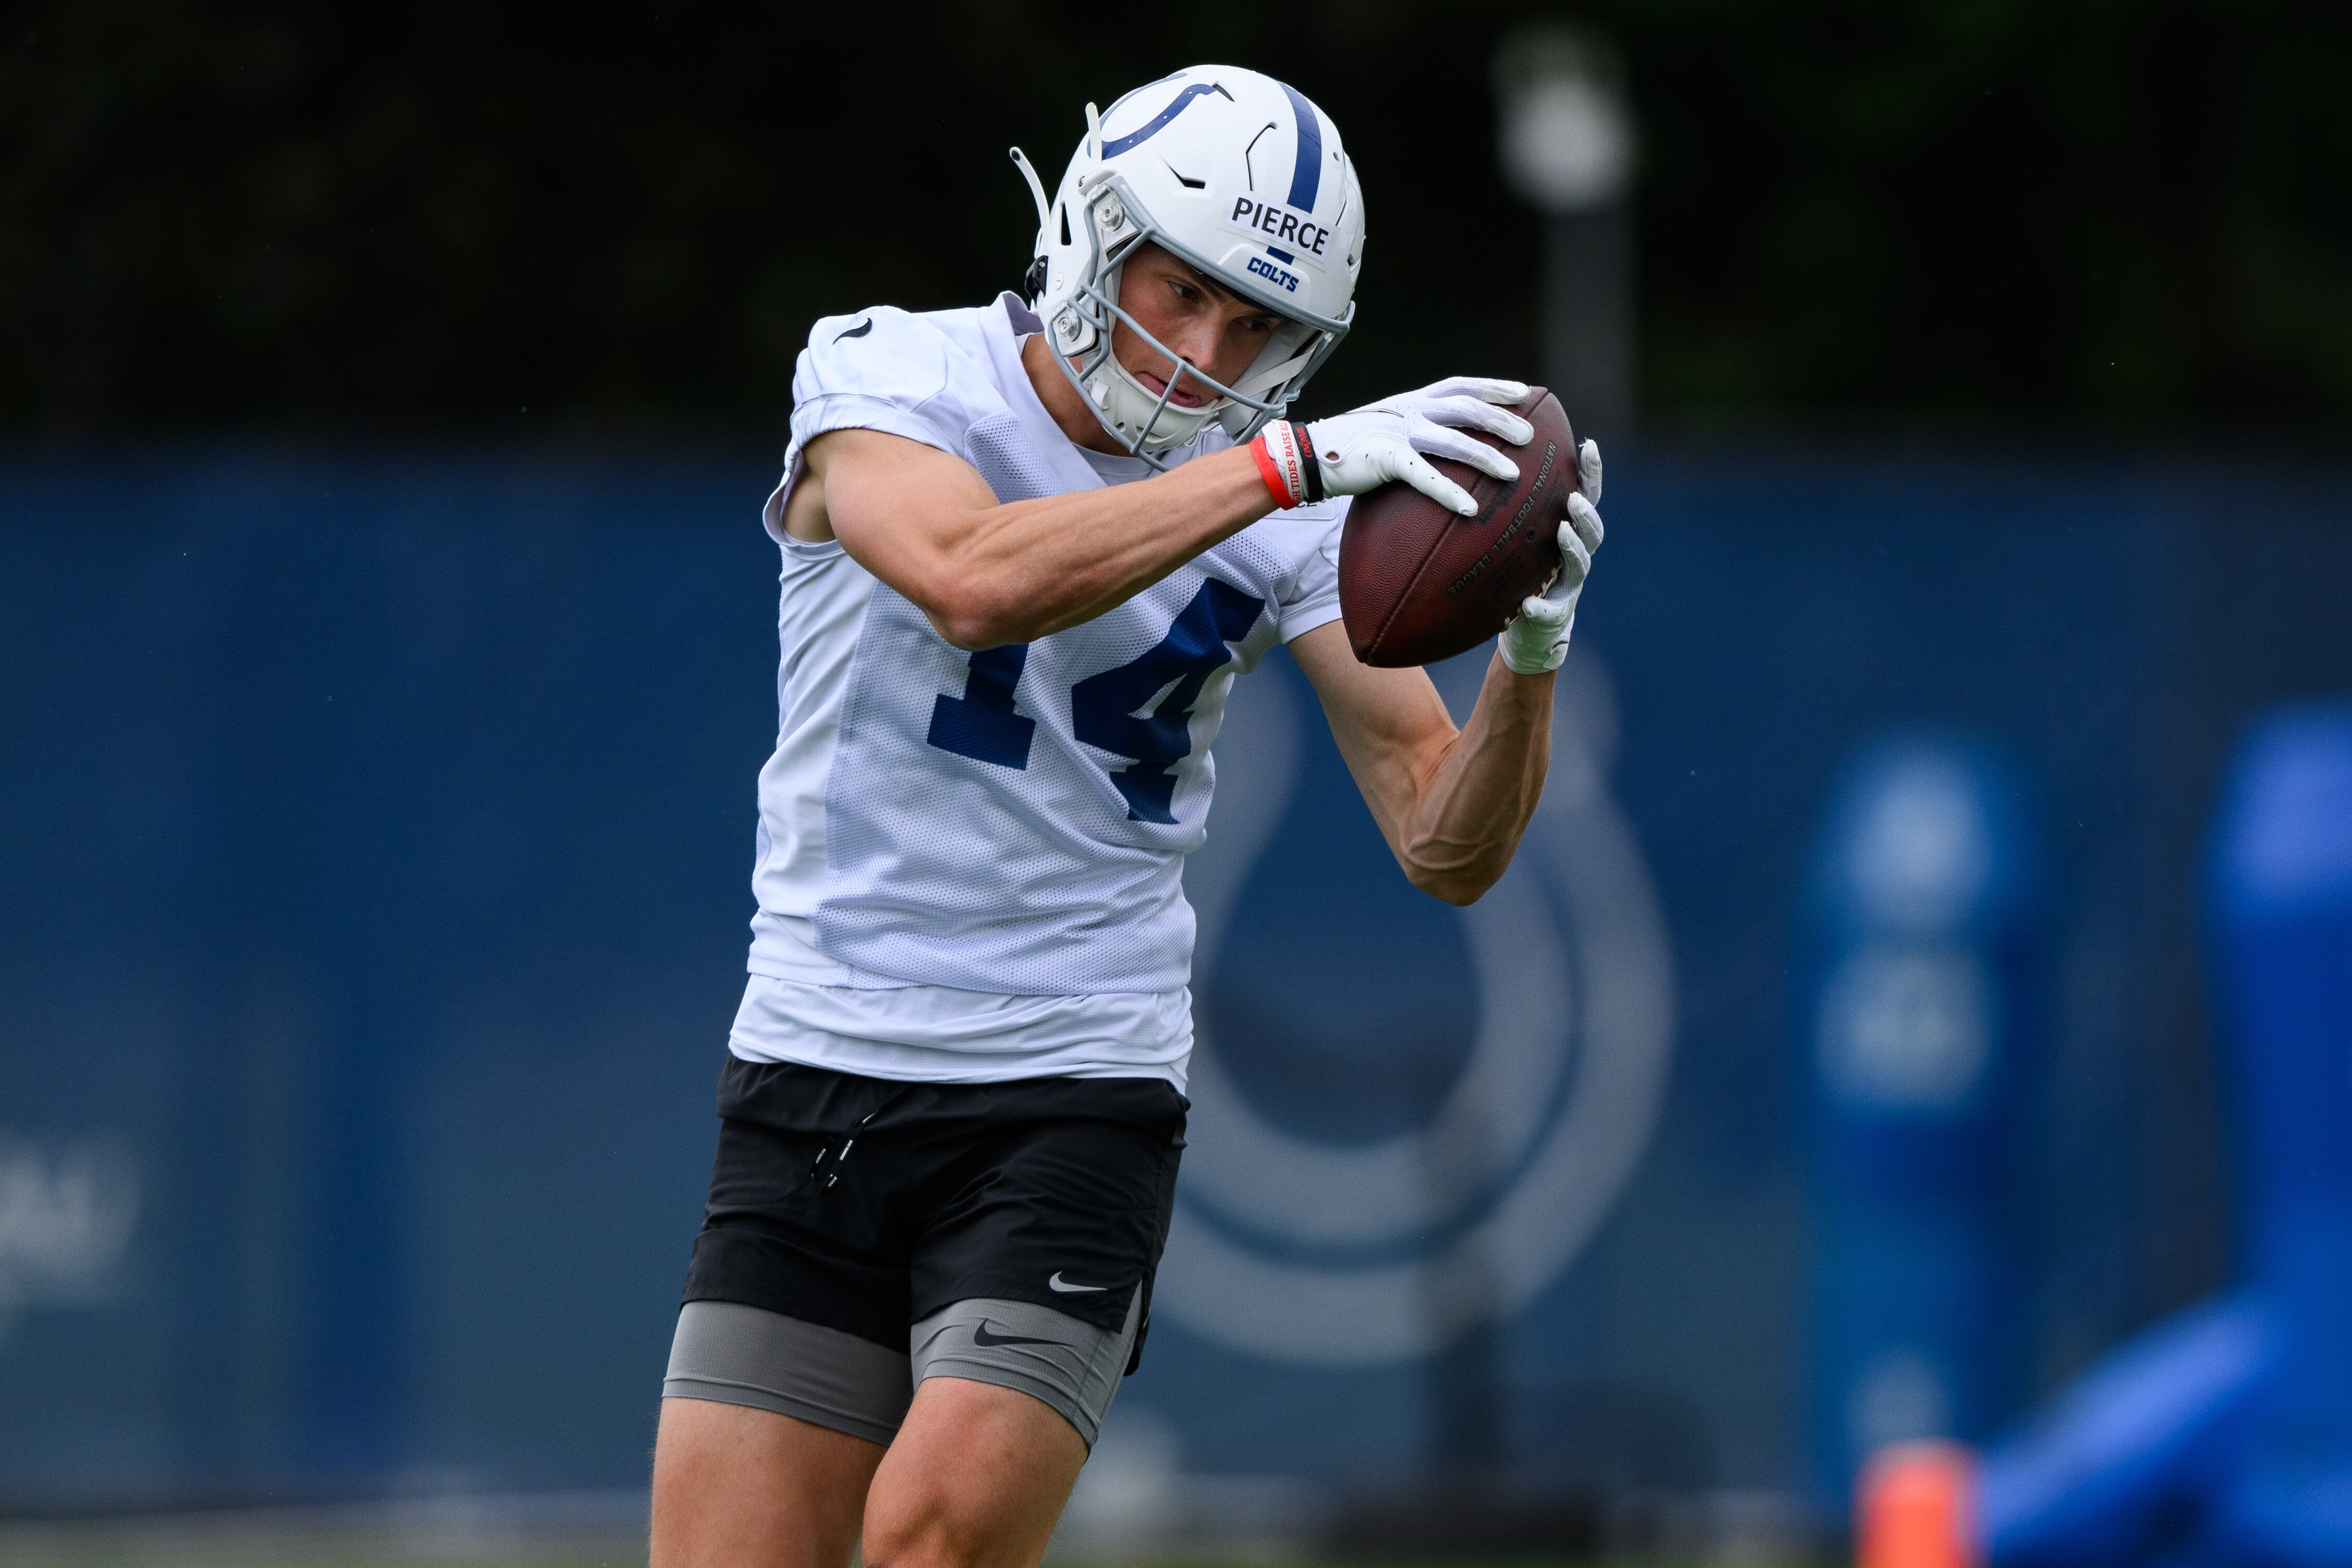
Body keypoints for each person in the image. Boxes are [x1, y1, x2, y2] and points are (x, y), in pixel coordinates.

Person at [649, 64, 1608, 1568]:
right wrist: (1278, 463)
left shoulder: (1283, 499)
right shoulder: (891, 377)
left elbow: (1445, 840)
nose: (1206, 356)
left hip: (1070, 1090)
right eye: (1183, 292)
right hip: (815, 1063)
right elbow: (968, 572)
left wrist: (1531, 653)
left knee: (930, 1542)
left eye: (1258, 328)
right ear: (1096, 234)